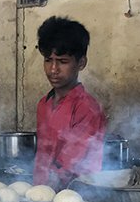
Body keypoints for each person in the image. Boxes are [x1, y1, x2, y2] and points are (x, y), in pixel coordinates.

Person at [33, 16, 107, 190]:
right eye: (48, 60)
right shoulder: (44, 104)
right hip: (43, 193)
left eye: (62, 62)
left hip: (79, 195)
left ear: (81, 63)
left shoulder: (87, 108)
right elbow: (42, 156)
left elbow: (71, 165)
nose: (53, 69)